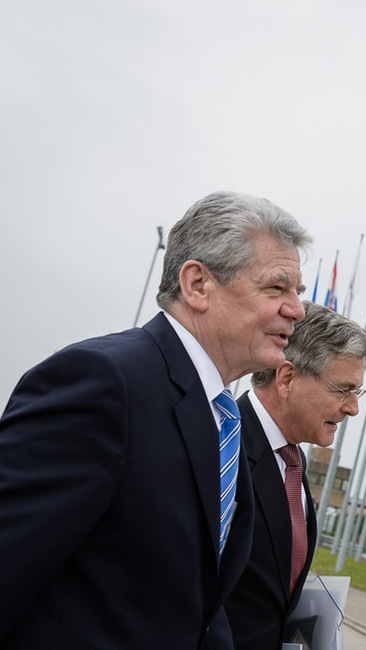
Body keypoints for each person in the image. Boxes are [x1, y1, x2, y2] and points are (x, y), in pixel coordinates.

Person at [0, 191, 311, 649]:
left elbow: (201, 605)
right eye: (276, 288)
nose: (297, 310)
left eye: (297, 293)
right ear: (197, 284)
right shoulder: (105, 381)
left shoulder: (224, 418)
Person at [225, 302, 366, 649]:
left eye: (357, 392)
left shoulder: (293, 462)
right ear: (287, 378)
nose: (353, 408)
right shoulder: (220, 448)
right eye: (343, 390)